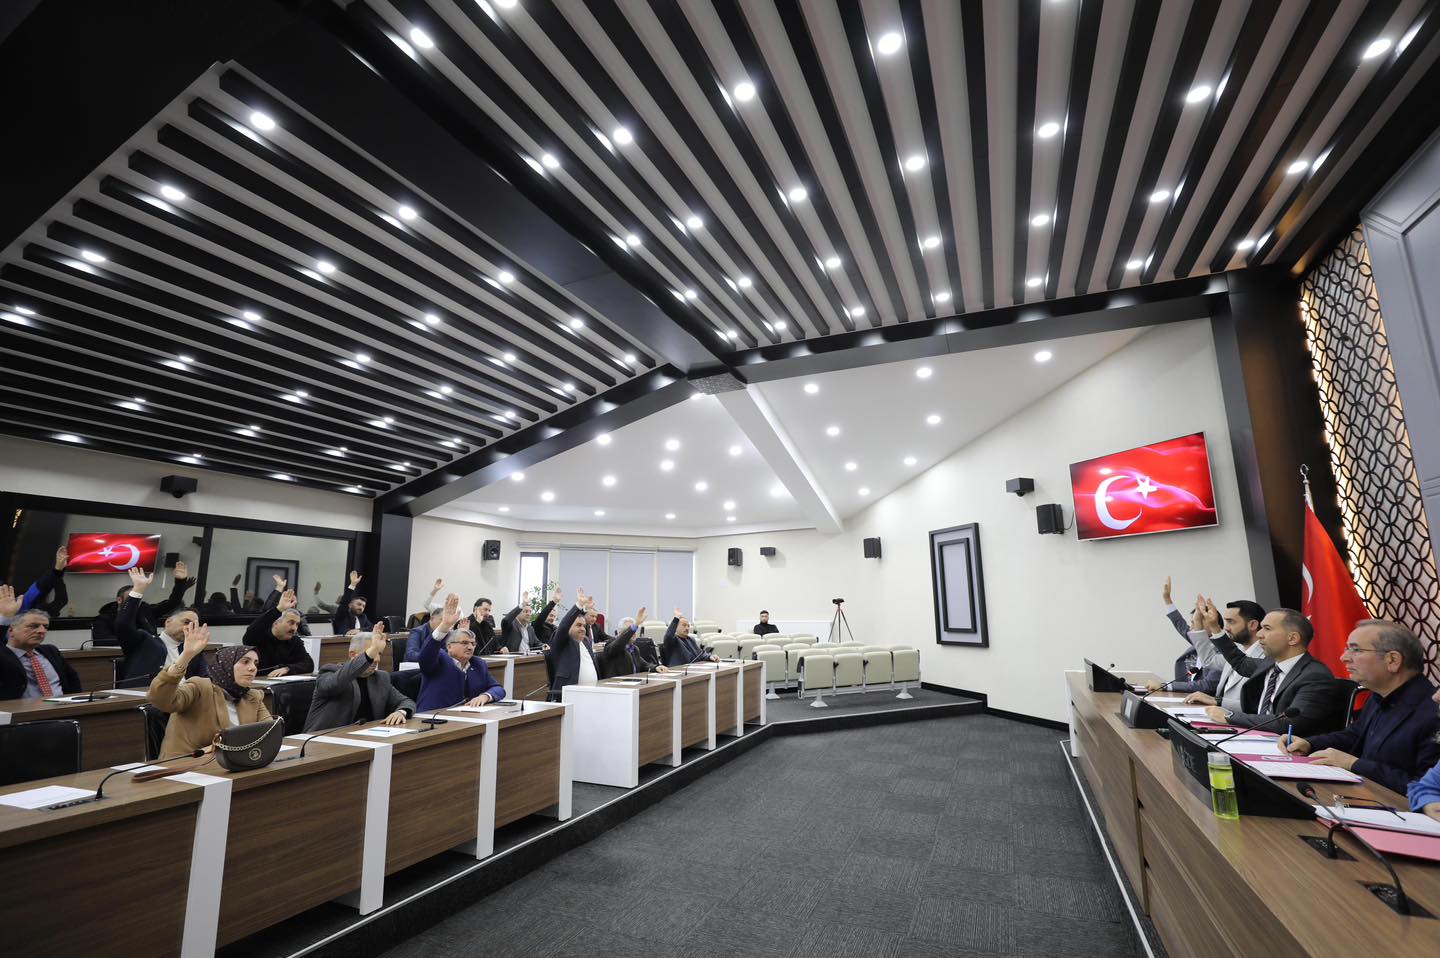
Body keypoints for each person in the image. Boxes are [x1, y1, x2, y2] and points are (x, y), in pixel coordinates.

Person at [1278, 620, 1439, 794]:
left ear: (1392, 660)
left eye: (1356, 650)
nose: (1343, 657)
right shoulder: (1379, 695)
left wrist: (1355, 764)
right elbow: (1354, 735)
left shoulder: (1433, 711)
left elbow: (1427, 789)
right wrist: (1309, 743)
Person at [1199, 604, 1338, 736]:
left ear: (1292, 638)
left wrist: (1230, 716)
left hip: (1286, 746)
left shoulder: (1315, 676)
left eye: (1267, 628)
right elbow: (1240, 662)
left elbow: (1289, 723)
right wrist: (1215, 627)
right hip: (1255, 737)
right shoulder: (1271, 664)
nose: (1259, 634)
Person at [147, 627, 272, 758]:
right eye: (245, 662)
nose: (253, 668)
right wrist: (186, 656)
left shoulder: (253, 696)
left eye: (255, 663)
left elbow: (269, 732)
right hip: (185, 763)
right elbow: (159, 699)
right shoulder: (199, 687)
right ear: (226, 664)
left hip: (231, 761)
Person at [303, 624, 414, 730]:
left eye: (379, 653)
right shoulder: (329, 672)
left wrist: (400, 712)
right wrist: (370, 653)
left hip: (366, 737)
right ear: (352, 654)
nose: (377, 659)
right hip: (322, 738)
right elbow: (341, 679)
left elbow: (405, 702)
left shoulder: (381, 678)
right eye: (372, 652)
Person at [115, 567, 208, 682]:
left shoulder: (194, 651)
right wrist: (138, 590)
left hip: (185, 692)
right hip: (148, 692)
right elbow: (123, 625)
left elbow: (205, 681)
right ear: (168, 622)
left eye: (194, 626)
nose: (189, 628)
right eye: (186, 622)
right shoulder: (144, 642)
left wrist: (180, 583)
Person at [416, 595, 506, 711]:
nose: (470, 647)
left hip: (465, 716)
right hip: (434, 716)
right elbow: (425, 656)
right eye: (464, 643)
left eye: (473, 643)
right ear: (449, 646)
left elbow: (498, 689)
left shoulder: (478, 664)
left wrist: (485, 696)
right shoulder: (439, 658)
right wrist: (444, 626)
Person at [1181, 599, 1268, 716]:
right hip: (1217, 716)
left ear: (1253, 625)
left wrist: (1217, 701)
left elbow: (1259, 706)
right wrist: (1197, 622)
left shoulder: (1266, 658)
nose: (1226, 628)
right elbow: (1209, 660)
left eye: (1231, 622)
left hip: (1241, 722)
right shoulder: (1238, 650)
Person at [93, 559, 193, 645]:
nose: (135, 601)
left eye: (138, 597)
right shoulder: (105, 618)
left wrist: (180, 582)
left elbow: (172, 603)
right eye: (132, 597)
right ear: (119, 600)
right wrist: (143, 640)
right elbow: (101, 640)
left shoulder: (146, 611)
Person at [0, 598, 81, 699]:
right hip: (22, 708)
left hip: (62, 705)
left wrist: (76, 701)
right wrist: (5, 618)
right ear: (11, 631)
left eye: (45, 627)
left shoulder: (51, 651)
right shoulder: (3, 655)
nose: (42, 631)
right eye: (34, 626)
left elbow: (72, 679)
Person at [244, 589, 314, 676]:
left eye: (297, 624)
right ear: (276, 623)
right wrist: (279, 609)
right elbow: (252, 630)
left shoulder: (295, 641)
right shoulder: (259, 636)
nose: (294, 628)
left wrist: (287, 669)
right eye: (291, 623)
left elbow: (308, 664)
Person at [549, 590, 602, 694]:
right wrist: (579, 605)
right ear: (569, 627)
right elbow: (564, 625)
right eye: (578, 625)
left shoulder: (585, 641)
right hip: (569, 694)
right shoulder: (562, 641)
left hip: (592, 692)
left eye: (584, 626)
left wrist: (585, 609)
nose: (582, 629)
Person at [601, 606, 674, 678]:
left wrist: (655, 668)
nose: (634, 633)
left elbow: (644, 665)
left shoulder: (634, 649)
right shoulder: (611, 644)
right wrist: (635, 625)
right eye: (630, 630)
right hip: (617, 683)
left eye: (635, 631)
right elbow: (619, 643)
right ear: (620, 633)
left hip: (633, 682)